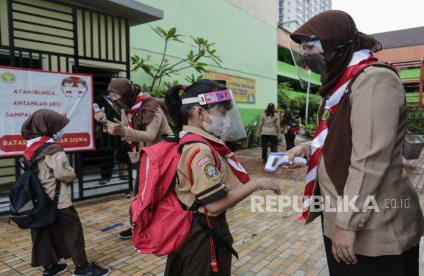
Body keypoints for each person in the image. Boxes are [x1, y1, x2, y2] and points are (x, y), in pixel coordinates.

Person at [285, 10, 424, 276]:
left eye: (312, 47)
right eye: (303, 48)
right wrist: (309, 148)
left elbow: (371, 157)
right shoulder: (343, 83)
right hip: (343, 215)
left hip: (373, 228)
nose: (307, 54)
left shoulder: (374, 80)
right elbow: (340, 135)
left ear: (338, 45)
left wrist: (347, 224)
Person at [163, 79, 281, 276]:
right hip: (202, 232)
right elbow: (214, 205)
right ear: (199, 112)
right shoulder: (200, 151)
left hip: (196, 226)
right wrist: (257, 184)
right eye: (222, 113)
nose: (226, 119)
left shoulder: (192, 140)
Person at [21, 109, 110, 276]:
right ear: (48, 127)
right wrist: (72, 173)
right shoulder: (53, 148)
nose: (60, 131)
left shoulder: (30, 148)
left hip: (40, 200)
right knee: (73, 230)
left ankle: (50, 267)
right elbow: (64, 174)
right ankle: (82, 267)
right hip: (58, 199)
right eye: (57, 127)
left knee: (44, 232)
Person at [93, 78, 173, 240]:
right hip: (146, 156)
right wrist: (103, 120)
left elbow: (149, 135)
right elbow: (124, 129)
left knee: (158, 195)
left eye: (115, 96)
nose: (113, 100)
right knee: (140, 194)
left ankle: (154, 227)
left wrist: (122, 131)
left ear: (126, 94)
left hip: (162, 157)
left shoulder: (151, 107)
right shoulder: (128, 108)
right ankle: (137, 225)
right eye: (111, 97)